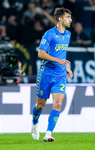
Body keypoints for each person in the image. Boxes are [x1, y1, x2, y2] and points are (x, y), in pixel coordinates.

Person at [31, 7, 73, 142]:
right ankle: (35, 122)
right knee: (41, 105)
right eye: (68, 17)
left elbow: (62, 53)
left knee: (58, 104)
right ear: (60, 19)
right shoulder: (49, 34)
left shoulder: (68, 35)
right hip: (46, 74)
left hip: (60, 75)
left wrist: (66, 66)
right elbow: (41, 53)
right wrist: (58, 60)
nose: (70, 20)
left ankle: (48, 134)